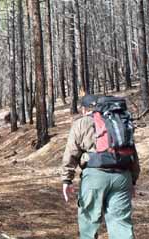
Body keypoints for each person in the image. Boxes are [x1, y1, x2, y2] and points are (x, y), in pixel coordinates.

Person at [61, 94, 140, 239]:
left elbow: (71, 152)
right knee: (121, 224)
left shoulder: (82, 122)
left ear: (84, 109)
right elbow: (132, 152)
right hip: (122, 176)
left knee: (88, 223)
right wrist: (132, 181)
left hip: (94, 176)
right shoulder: (118, 120)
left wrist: (67, 180)